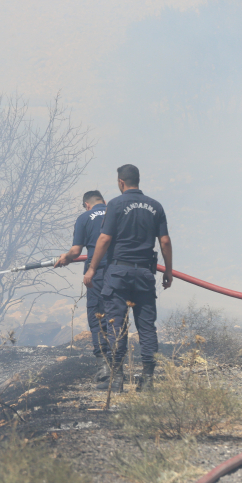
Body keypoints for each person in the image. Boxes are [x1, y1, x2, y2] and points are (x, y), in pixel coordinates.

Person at [83, 164, 173, 392]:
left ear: (121, 182)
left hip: (118, 274)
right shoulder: (155, 206)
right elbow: (164, 241)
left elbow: (104, 239)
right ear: (137, 180)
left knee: (116, 325)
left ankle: (117, 380)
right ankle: (148, 380)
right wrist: (169, 270)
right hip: (144, 273)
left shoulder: (115, 204)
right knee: (146, 326)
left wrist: (92, 269)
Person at [55, 190, 110, 382]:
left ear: (87, 204)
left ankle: (105, 367)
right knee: (117, 316)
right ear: (104, 201)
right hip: (122, 270)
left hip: (97, 272)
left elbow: (76, 251)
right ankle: (119, 366)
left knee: (97, 317)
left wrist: (65, 258)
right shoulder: (117, 213)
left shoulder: (84, 217)